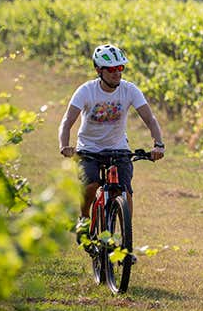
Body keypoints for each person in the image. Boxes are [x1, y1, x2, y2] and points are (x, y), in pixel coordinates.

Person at [58, 44, 165, 240]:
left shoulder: (129, 90)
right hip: (88, 148)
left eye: (120, 68)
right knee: (91, 184)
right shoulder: (86, 91)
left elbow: (150, 119)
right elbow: (67, 122)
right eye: (112, 69)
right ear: (98, 70)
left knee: (124, 190)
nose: (117, 73)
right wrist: (65, 146)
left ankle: (126, 237)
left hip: (118, 147)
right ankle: (84, 217)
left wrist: (159, 144)